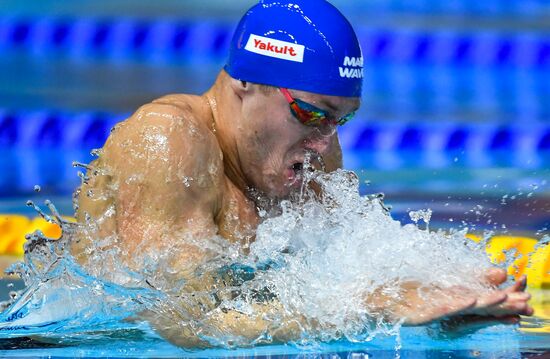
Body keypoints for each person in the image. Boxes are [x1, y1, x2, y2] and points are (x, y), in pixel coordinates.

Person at [73, 0, 533, 347]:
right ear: (245, 83)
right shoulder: (168, 140)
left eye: (341, 120)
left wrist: (430, 309)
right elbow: (181, 322)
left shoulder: (310, 154)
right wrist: (369, 308)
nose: (324, 142)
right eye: (311, 114)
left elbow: (333, 279)